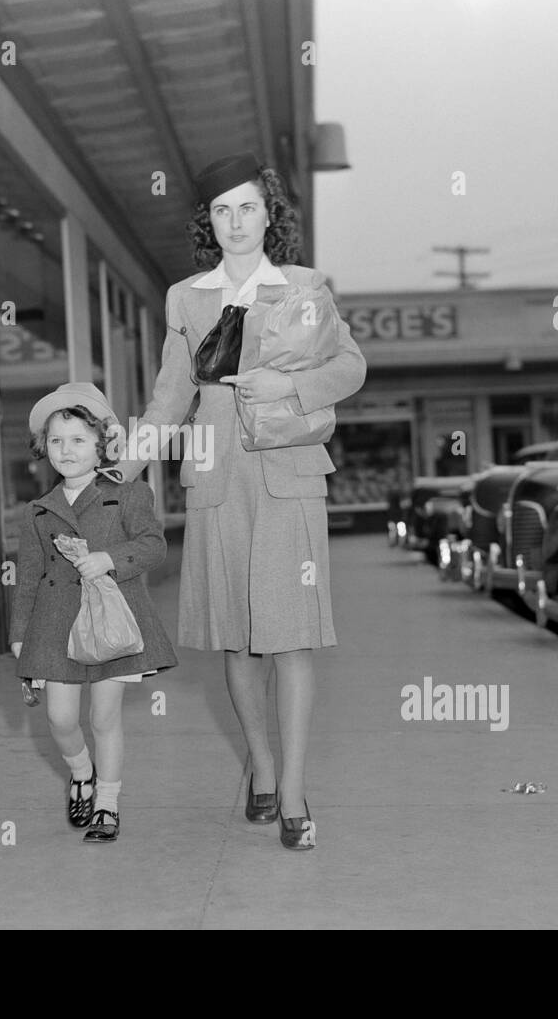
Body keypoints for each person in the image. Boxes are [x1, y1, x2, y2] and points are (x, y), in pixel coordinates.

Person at [113, 152, 366, 850]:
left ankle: (291, 790)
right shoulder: (187, 299)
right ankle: (259, 764)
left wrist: (289, 389)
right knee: (237, 636)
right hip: (217, 480)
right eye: (221, 211)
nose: (235, 222)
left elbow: (350, 366)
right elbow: (169, 399)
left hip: (288, 477)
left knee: (290, 636)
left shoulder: (307, 288)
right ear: (209, 223)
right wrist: (123, 470)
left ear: (269, 214)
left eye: (247, 207)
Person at [9, 383, 177, 843]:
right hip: (54, 625)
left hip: (113, 621)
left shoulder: (129, 494)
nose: (67, 450)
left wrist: (110, 559)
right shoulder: (38, 512)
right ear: (45, 448)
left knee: (105, 718)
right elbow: (27, 576)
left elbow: (153, 546)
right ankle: (80, 770)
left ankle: (107, 802)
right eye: (57, 441)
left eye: (79, 440)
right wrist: (20, 635)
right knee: (60, 719)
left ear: (102, 445)